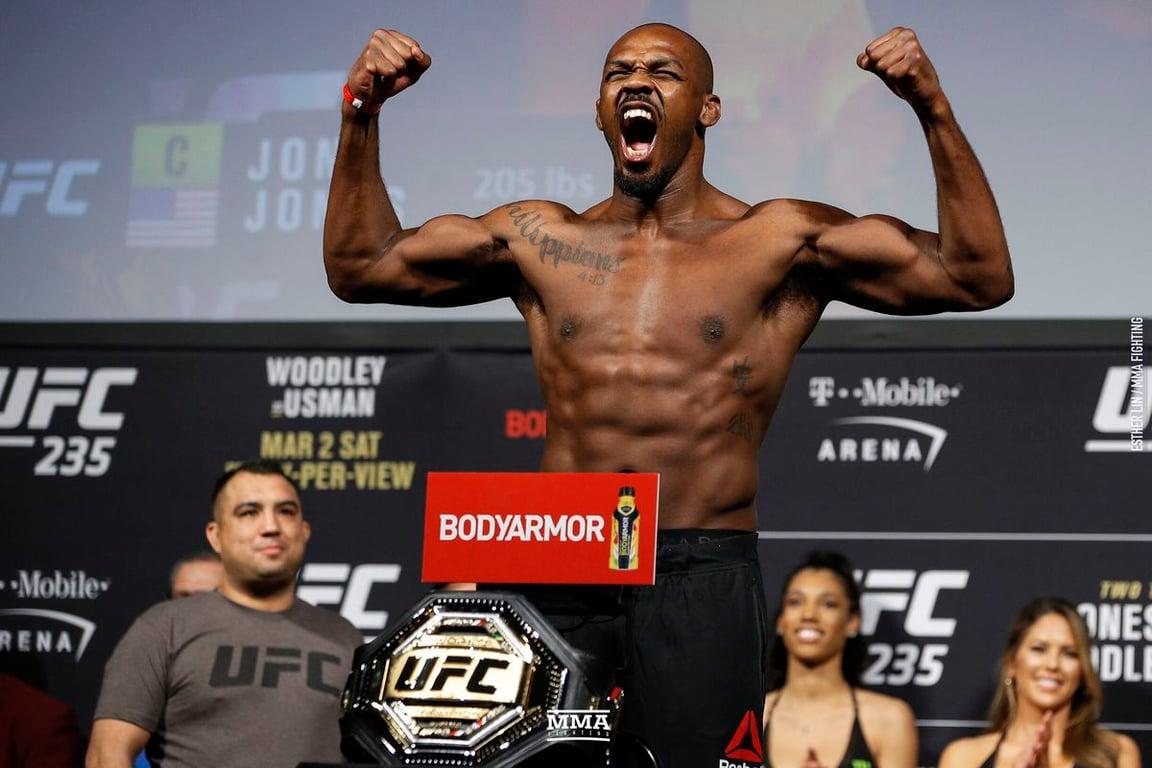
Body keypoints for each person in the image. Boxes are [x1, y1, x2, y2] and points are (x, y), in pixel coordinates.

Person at [324, 22, 1012, 767]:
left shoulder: (778, 240)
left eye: (663, 71)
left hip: (699, 565)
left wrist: (931, 107)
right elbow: (361, 266)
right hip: (562, 560)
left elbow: (975, 276)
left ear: (708, 108)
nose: (637, 82)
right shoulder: (540, 241)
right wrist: (361, 112)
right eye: (619, 71)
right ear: (599, 111)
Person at [86, 460, 362, 768]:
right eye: (249, 512)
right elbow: (106, 755)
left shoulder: (345, 638)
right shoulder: (163, 629)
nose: (271, 527)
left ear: (304, 530)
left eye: (285, 511)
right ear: (215, 535)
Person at [938, 597, 1140, 768]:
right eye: (1039, 649)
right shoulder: (964, 757)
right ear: (1012, 663)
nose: (1053, 664)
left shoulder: (1117, 753)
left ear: (1082, 670)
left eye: (1070, 653)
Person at [763, 551, 917, 768]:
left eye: (828, 604)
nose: (809, 615)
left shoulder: (889, 719)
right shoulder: (751, 717)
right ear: (781, 621)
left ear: (852, 621)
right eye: (795, 602)